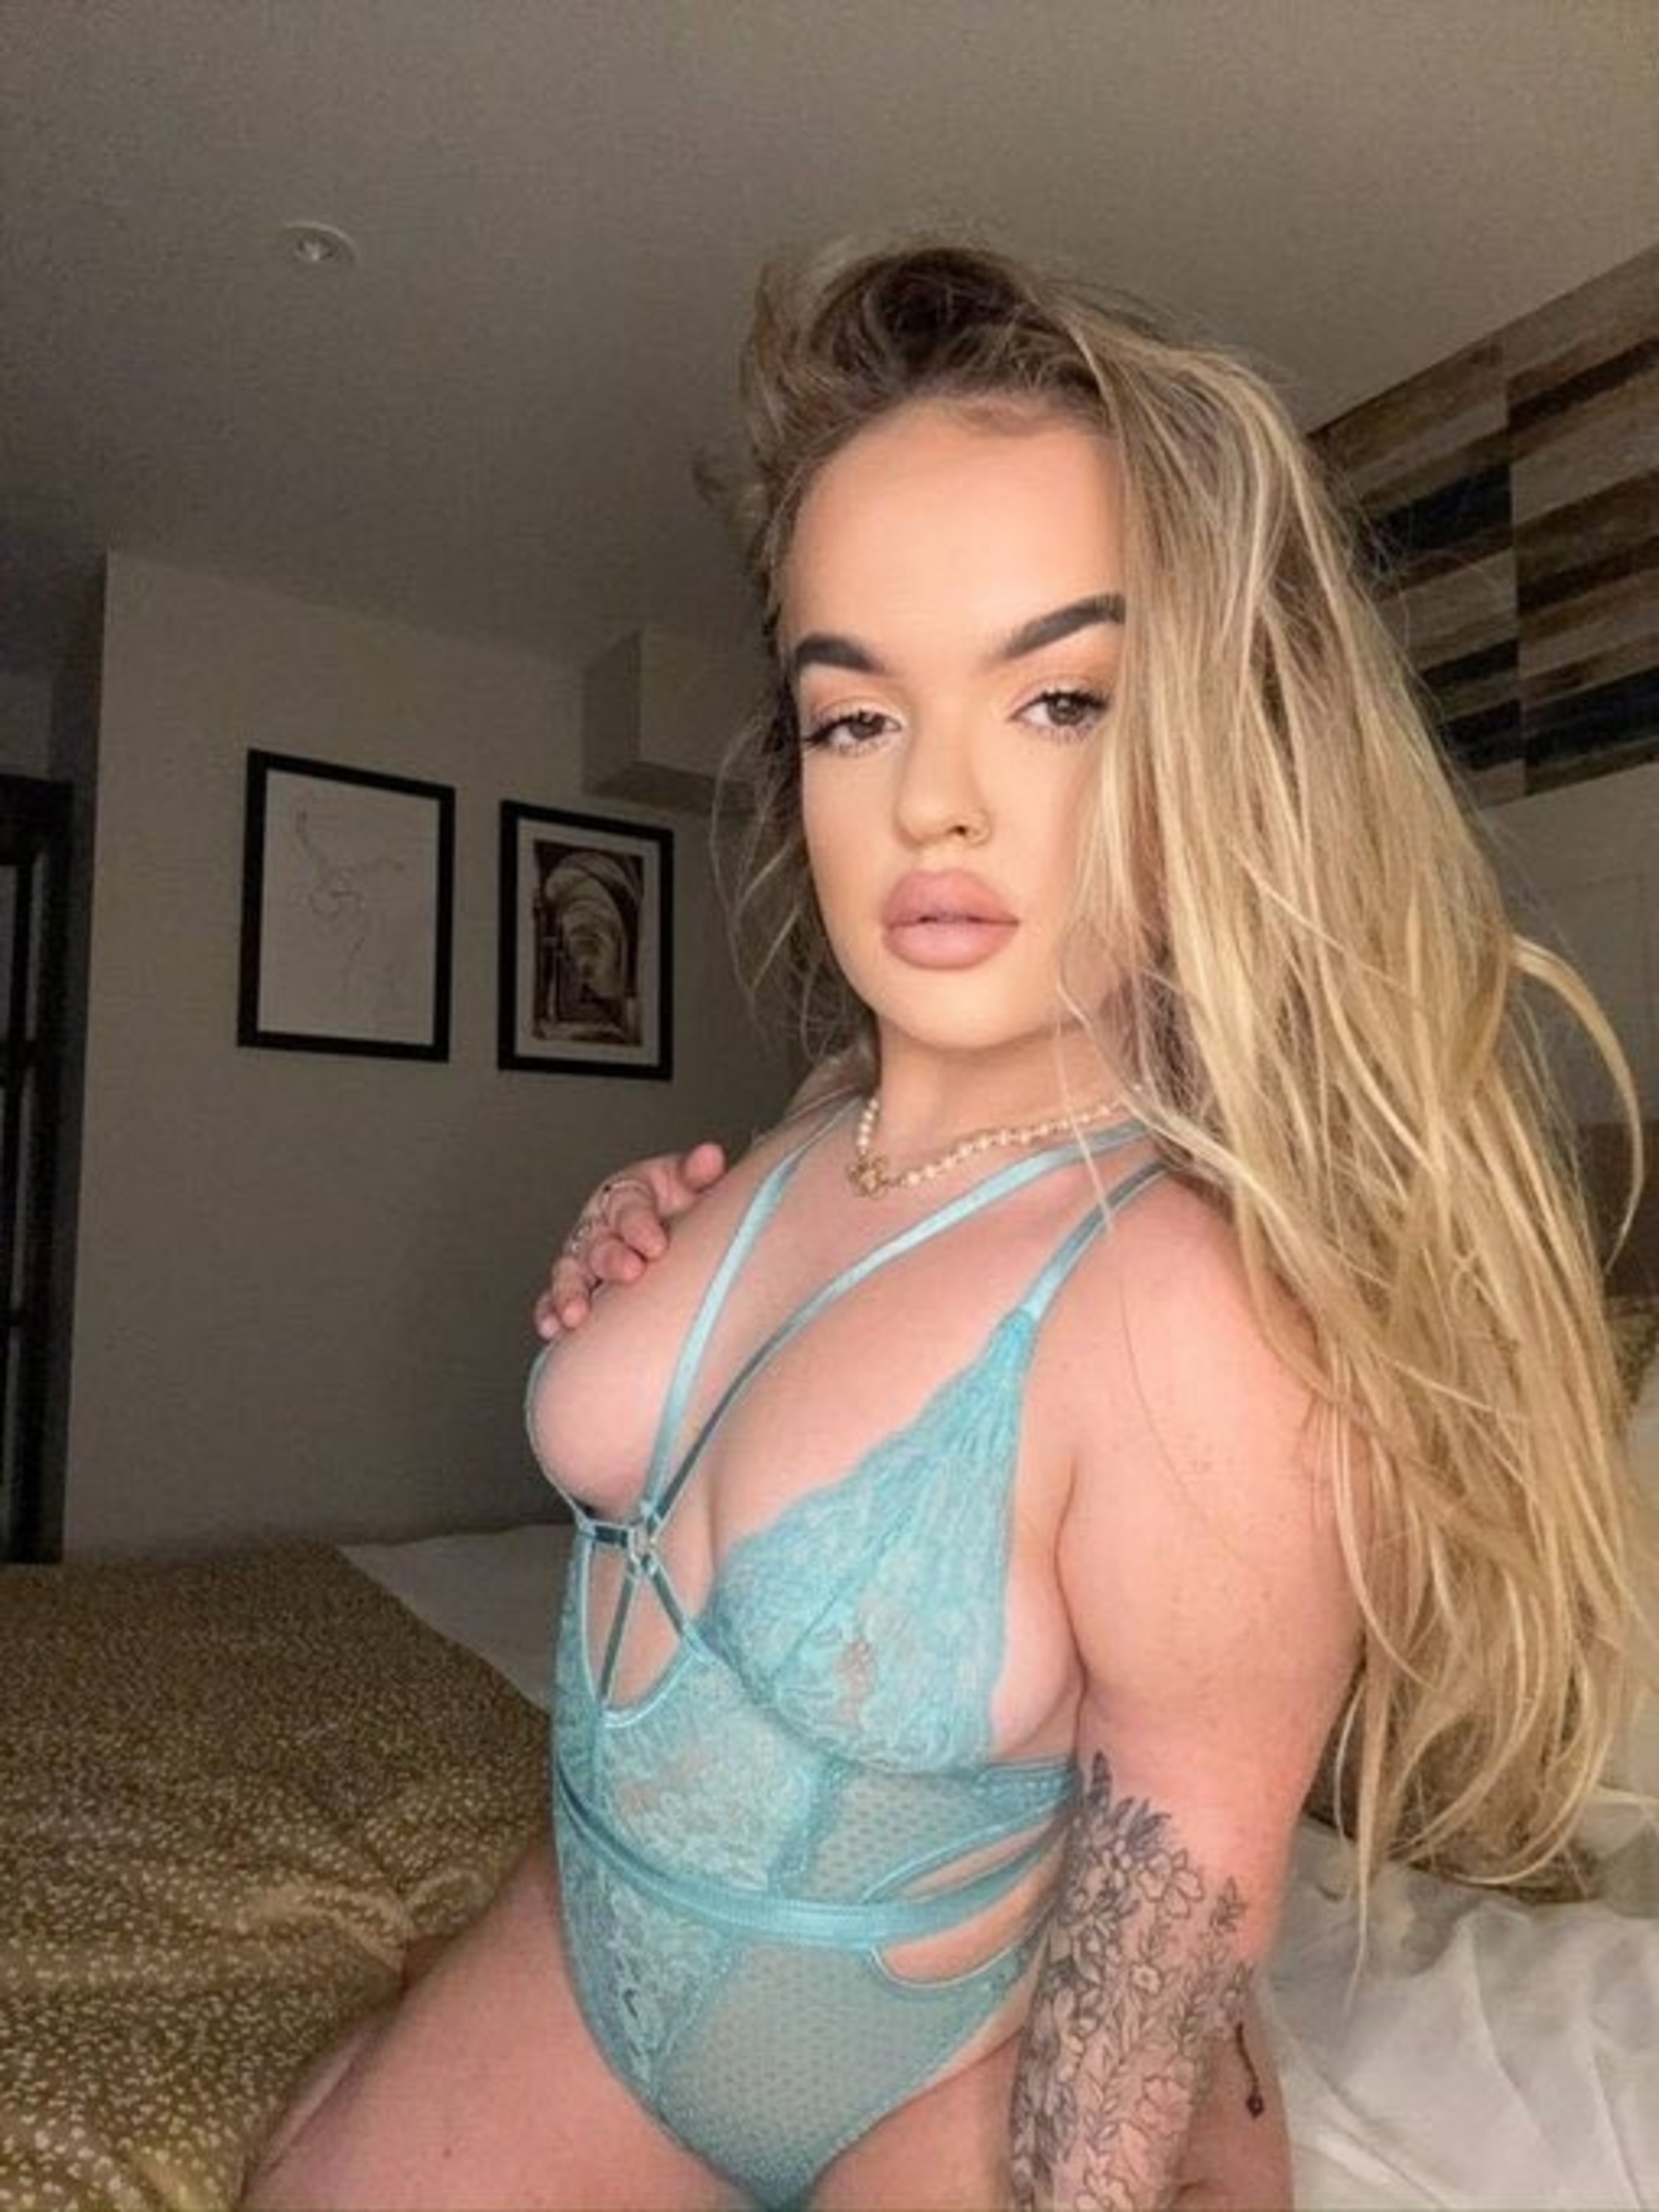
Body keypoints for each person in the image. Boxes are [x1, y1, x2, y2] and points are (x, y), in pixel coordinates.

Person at [250, 241, 1639, 2212]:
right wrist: (640, 1289)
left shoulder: (1184, 1310)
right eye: (856, 717)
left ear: (1206, 756)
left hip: (947, 2068)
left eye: (1057, 698)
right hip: (607, 1958)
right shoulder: (802, 1148)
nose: (936, 806)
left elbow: (1147, 1971)